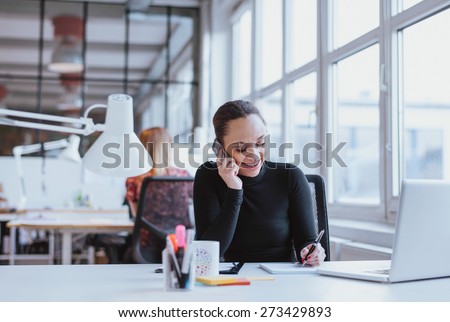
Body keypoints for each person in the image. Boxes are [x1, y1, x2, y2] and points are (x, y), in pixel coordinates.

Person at [193, 100, 326, 265]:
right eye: (241, 148)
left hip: (284, 280)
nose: (254, 154)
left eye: (261, 143)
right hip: (233, 282)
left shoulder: (290, 176)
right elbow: (207, 255)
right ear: (221, 150)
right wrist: (234, 190)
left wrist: (312, 252)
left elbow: (306, 242)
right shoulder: (208, 176)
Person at [125, 127, 190, 218]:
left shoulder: (134, 180)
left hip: (147, 232)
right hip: (179, 232)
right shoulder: (184, 176)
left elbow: (136, 215)